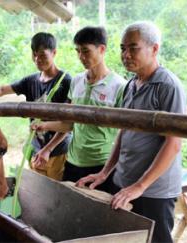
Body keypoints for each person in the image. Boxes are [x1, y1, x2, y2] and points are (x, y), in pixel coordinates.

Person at [76, 21, 186, 243]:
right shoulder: (131, 85)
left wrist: (140, 186)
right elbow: (123, 132)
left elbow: (173, 144)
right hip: (124, 182)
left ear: (154, 49)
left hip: (154, 191)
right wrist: (105, 173)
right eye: (122, 48)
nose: (125, 54)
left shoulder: (168, 86)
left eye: (133, 48)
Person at [0, 32, 72, 181]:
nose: (37, 60)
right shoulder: (31, 81)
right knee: (38, 193)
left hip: (58, 152)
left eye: (42, 55)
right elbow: (1, 90)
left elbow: (67, 124)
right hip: (36, 149)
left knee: (56, 196)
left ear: (54, 53)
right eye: (34, 55)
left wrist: (48, 150)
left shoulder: (66, 81)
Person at [31, 26, 125, 187]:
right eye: (78, 51)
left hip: (102, 165)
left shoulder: (120, 86)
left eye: (86, 51)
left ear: (102, 49)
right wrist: (44, 127)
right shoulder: (76, 81)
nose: (81, 56)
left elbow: (124, 133)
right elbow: (69, 123)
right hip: (73, 161)